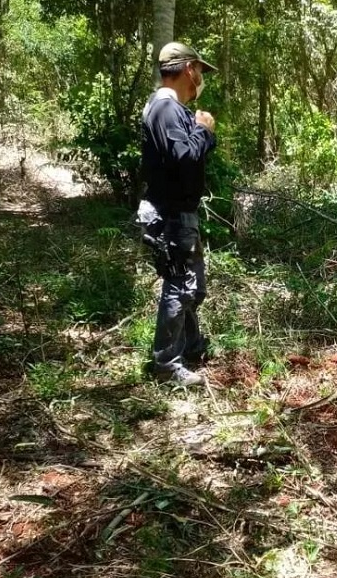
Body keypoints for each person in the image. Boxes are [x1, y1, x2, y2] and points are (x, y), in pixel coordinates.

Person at [138, 42, 218, 386]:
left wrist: (200, 132)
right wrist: (204, 130)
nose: (201, 77)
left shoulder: (171, 109)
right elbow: (184, 158)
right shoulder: (166, 108)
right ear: (188, 69)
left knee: (193, 287)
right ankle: (167, 366)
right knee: (180, 285)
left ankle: (191, 345)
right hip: (170, 215)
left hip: (180, 214)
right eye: (200, 69)